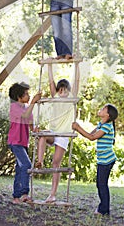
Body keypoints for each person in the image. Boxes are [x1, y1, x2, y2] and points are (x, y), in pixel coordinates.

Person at [35, 62, 79, 203]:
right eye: (60, 90)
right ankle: (40, 161)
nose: (62, 92)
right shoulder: (55, 97)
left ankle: (52, 194)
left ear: (69, 91)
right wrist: (49, 65)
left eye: (65, 90)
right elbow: (51, 82)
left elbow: (76, 81)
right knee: (42, 135)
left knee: (56, 164)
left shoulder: (72, 99)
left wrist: (76, 65)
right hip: (53, 132)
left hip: (64, 135)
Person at [72, 103, 118, 216]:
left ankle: (103, 210)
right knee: (100, 184)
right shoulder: (101, 124)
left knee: (102, 184)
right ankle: (103, 208)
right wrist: (79, 129)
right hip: (103, 160)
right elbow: (90, 134)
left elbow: (92, 138)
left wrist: (78, 128)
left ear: (107, 115)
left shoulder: (107, 126)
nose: (100, 109)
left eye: (103, 109)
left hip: (107, 160)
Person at [7, 82, 41, 204]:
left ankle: (16, 197)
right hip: (15, 142)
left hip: (23, 142)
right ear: (18, 97)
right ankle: (24, 194)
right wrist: (33, 102)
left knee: (20, 168)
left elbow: (31, 126)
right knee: (26, 165)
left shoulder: (28, 109)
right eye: (26, 94)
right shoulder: (14, 107)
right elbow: (25, 116)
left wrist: (36, 130)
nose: (29, 96)